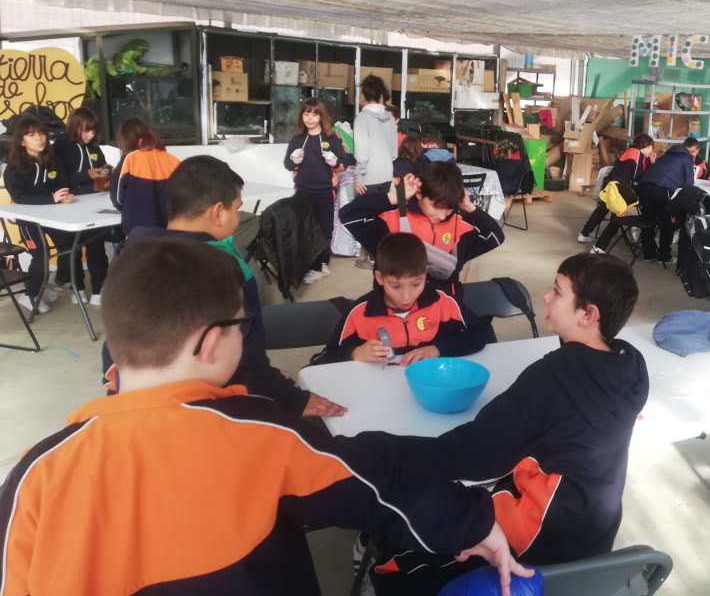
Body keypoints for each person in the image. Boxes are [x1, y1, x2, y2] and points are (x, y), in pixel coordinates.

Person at [0, 238, 529, 596]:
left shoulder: (32, 476)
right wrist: (473, 521)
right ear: (213, 342)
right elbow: (371, 478)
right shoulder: (259, 430)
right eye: (244, 327)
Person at [369, 253, 648, 595]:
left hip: (535, 541)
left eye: (557, 292)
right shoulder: (631, 363)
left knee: (403, 544)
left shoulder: (553, 377)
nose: (545, 297)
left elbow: (476, 455)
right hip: (594, 538)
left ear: (588, 314)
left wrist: (386, 453)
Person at [109, 155, 345, 418]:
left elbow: (114, 344)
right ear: (218, 212)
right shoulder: (223, 268)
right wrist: (294, 400)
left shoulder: (129, 256)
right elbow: (247, 358)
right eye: (236, 209)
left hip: (138, 403)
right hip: (214, 407)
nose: (237, 219)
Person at [309, 232, 493, 366]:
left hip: (429, 382)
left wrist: (437, 349)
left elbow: (480, 332)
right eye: (396, 286)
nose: (406, 296)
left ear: (425, 275)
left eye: (416, 284)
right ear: (380, 278)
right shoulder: (359, 313)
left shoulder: (443, 302)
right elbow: (325, 358)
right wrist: (355, 353)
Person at [339, 163, 504, 293]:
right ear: (419, 193)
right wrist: (395, 198)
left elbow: (495, 237)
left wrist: (469, 208)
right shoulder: (389, 222)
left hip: (445, 309)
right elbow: (349, 215)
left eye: (449, 208)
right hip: (395, 310)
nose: (442, 215)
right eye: (436, 206)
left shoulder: (461, 227)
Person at [3, 117, 76, 314]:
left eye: (42, 133)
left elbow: (61, 182)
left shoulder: (53, 160)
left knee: (68, 243)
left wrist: (64, 194)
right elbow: (20, 197)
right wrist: (51, 198)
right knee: (41, 254)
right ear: (22, 141)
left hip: (52, 215)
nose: (39, 138)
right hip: (28, 220)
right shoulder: (13, 169)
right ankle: (30, 295)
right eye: (32, 135)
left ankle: (58, 281)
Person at [51, 106, 113, 305]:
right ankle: (76, 288)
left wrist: (105, 171)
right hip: (69, 204)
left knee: (96, 246)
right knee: (72, 249)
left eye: (93, 131)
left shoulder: (94, 147)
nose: (90, 135)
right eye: (86, 130)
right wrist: (86, 175)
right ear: (75, 126)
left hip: (94, 203)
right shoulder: (61, 145)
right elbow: (58, 177)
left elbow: (102, 166)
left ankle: (98, 289)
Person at [284, 98, 345, 284]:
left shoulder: (331, 138)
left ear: (321, 116)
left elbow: (342, 163)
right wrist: (294, 161)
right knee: (304, 228)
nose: (309, 118)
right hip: (303, 190)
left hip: (324, 190)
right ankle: (309, 264)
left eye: (314, 114)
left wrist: (334, 161)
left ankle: (321, 264)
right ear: (301, 116)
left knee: (325, 227)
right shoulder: (297, 139)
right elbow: (287, 164)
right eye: (306, 114)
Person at [578, 134, 654, 251]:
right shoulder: (637, 154)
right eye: (651, 147)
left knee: (601, 210)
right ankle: (599, 248)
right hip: (619, 189)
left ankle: (584, 234)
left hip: (609, 184)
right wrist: (651, 165)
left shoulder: (629, 151)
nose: (651, 151)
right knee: (619, 218)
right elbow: (637, 177)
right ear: (645, 145)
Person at [110, 118, 180, 236]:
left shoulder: (129, 160)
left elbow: (117, 199)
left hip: (138, 230)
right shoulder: (172, 159)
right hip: (169, 229)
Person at [634, 141, 697, 263]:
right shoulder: (686, 158)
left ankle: (648, 253)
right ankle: (664, 255)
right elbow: (689, 184)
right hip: (662, 190)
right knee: (667, 222)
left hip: (644, 188)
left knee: (648, 220)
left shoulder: (664, 157)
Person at [353, 75, 398, 195]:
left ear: (364, 95)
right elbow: (394, 153)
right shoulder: (390, 118)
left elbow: (362, 153)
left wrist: (358, 178)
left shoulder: (362, 118)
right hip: (387, 177)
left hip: (368, 179)